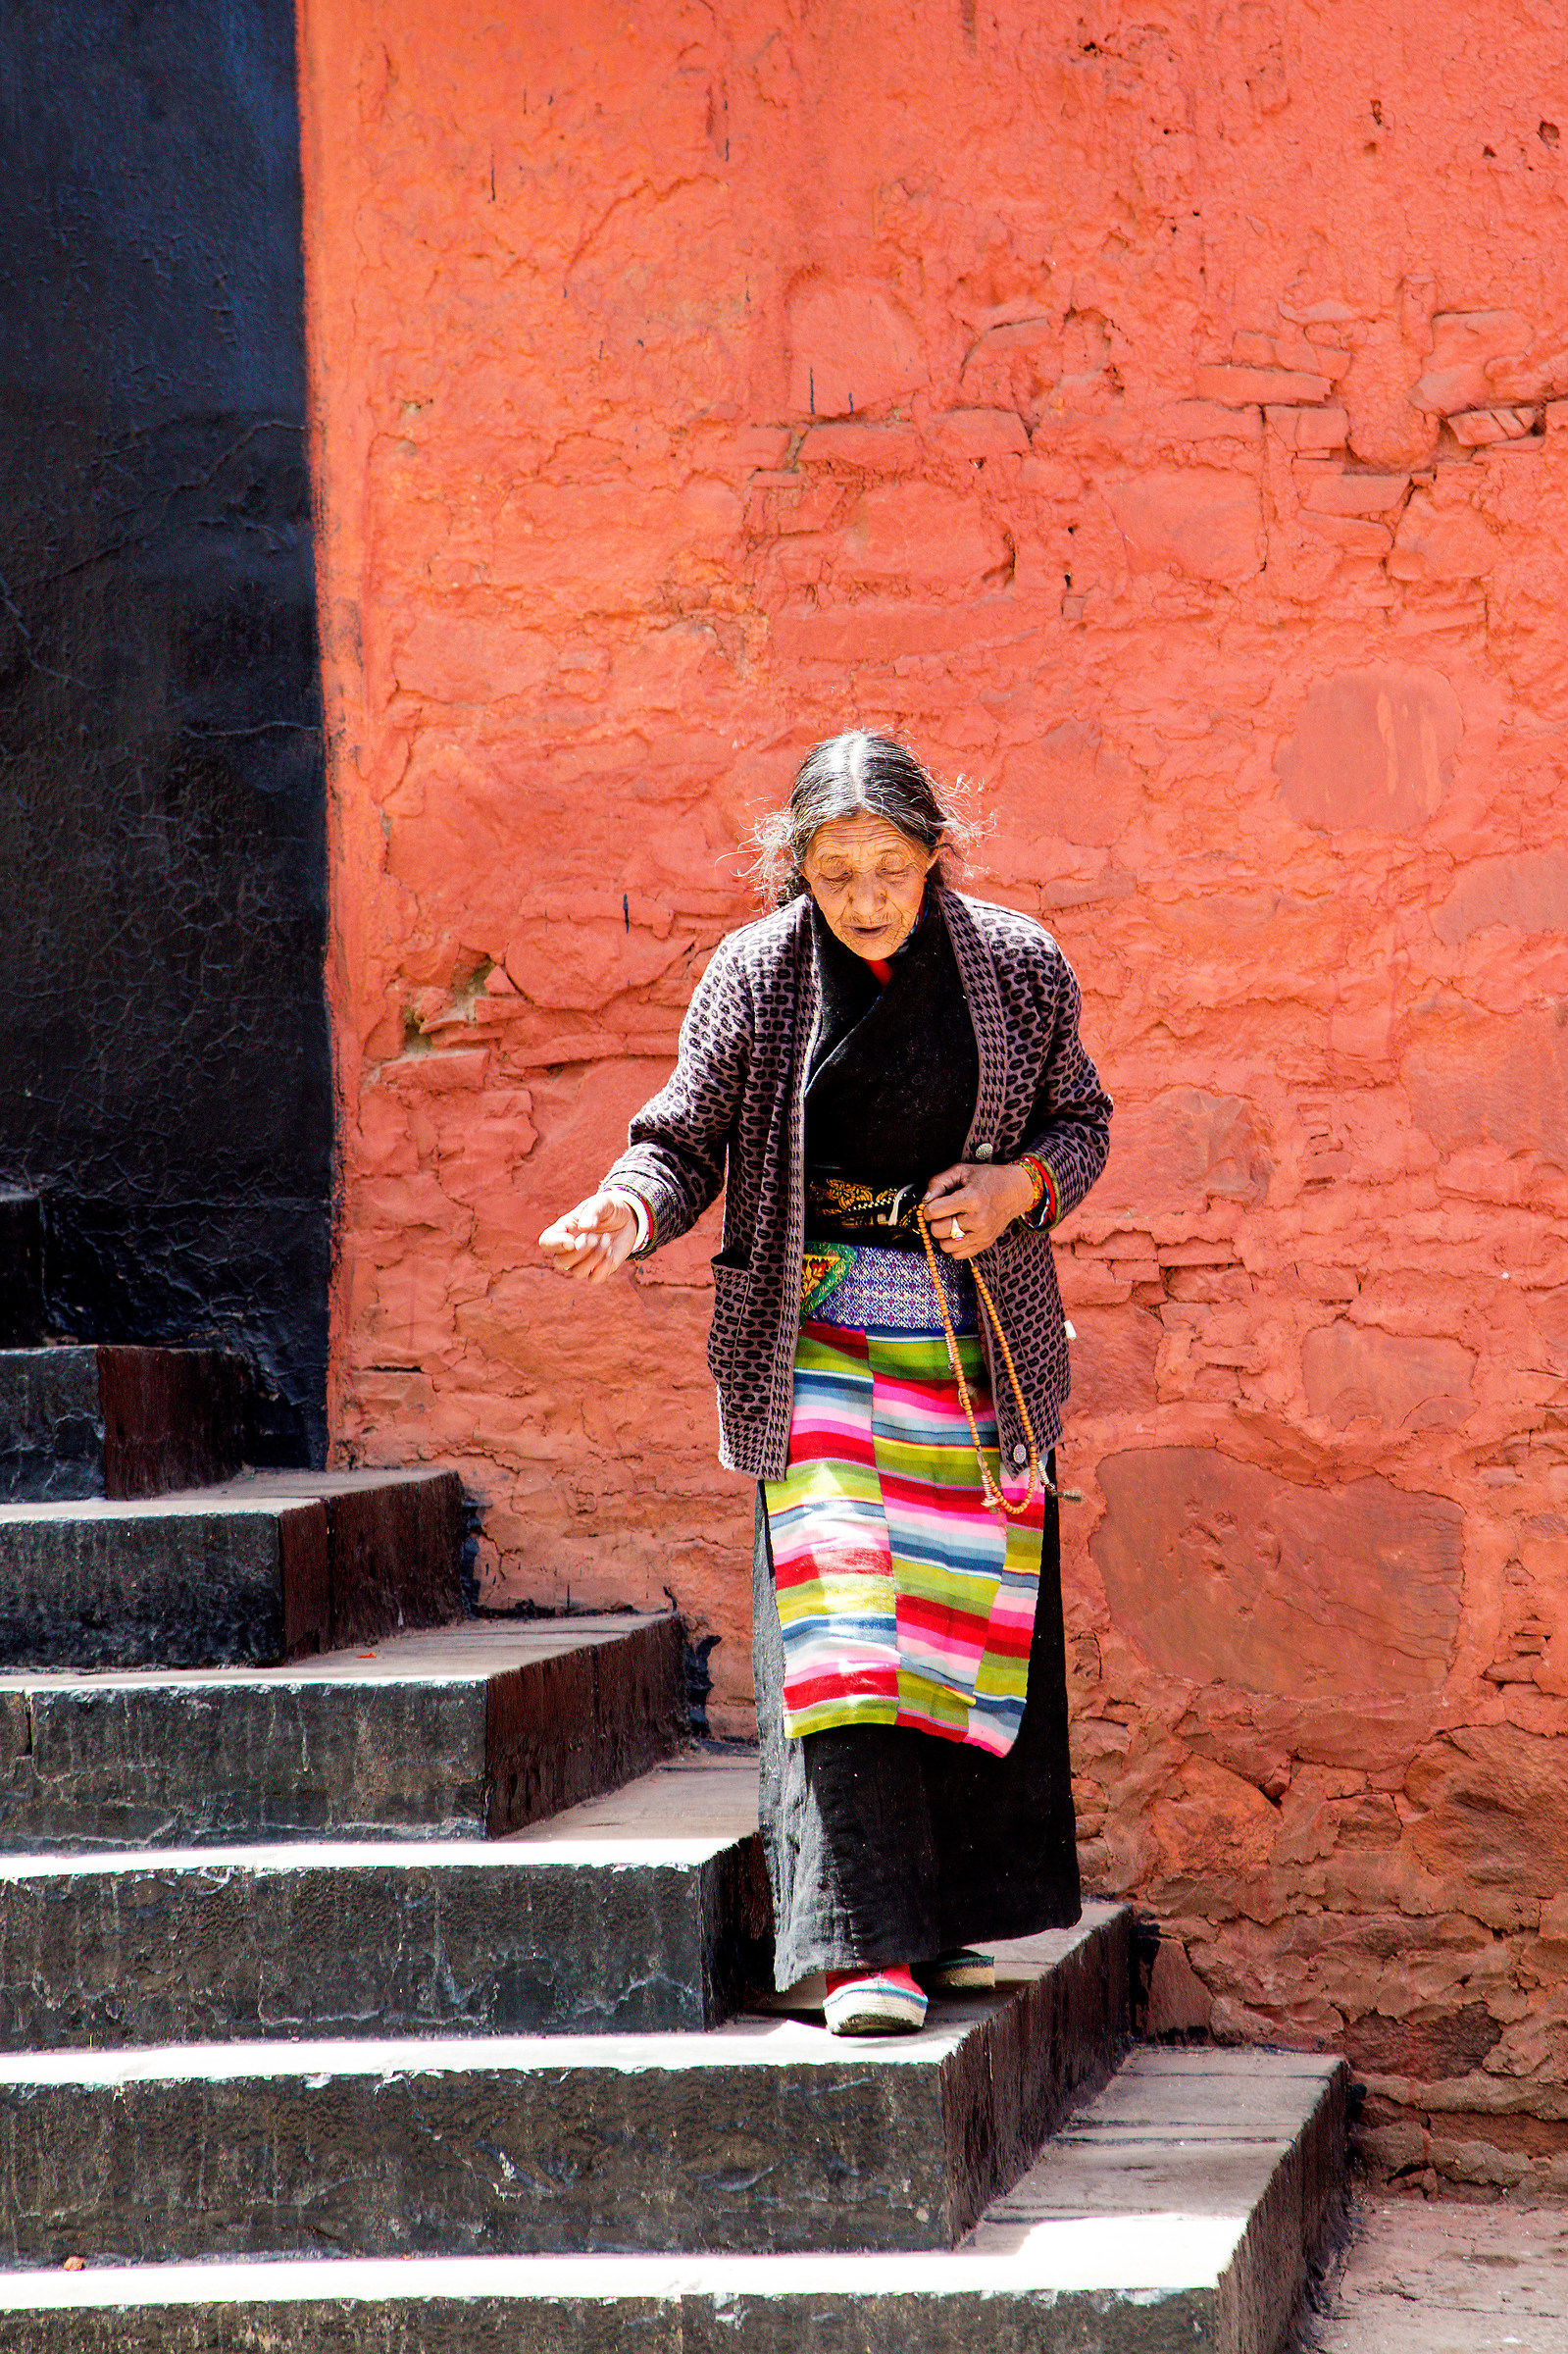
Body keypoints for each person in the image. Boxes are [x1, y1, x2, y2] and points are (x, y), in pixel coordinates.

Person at [540, 731, 1112, 2035]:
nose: (863, 895)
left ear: (933, 858)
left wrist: (1022, 1186)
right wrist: (625, 1213)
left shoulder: (1016, 967)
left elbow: (1081, 1123)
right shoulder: (754, 975)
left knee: (961, 1619)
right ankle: (863, 1949)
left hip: (976, 1354)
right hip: (819, 1347)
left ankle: (943, 1923)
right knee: (848, 1621)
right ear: (795, 866)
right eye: (835, 868)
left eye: (890, 867)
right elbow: (682, 1139)